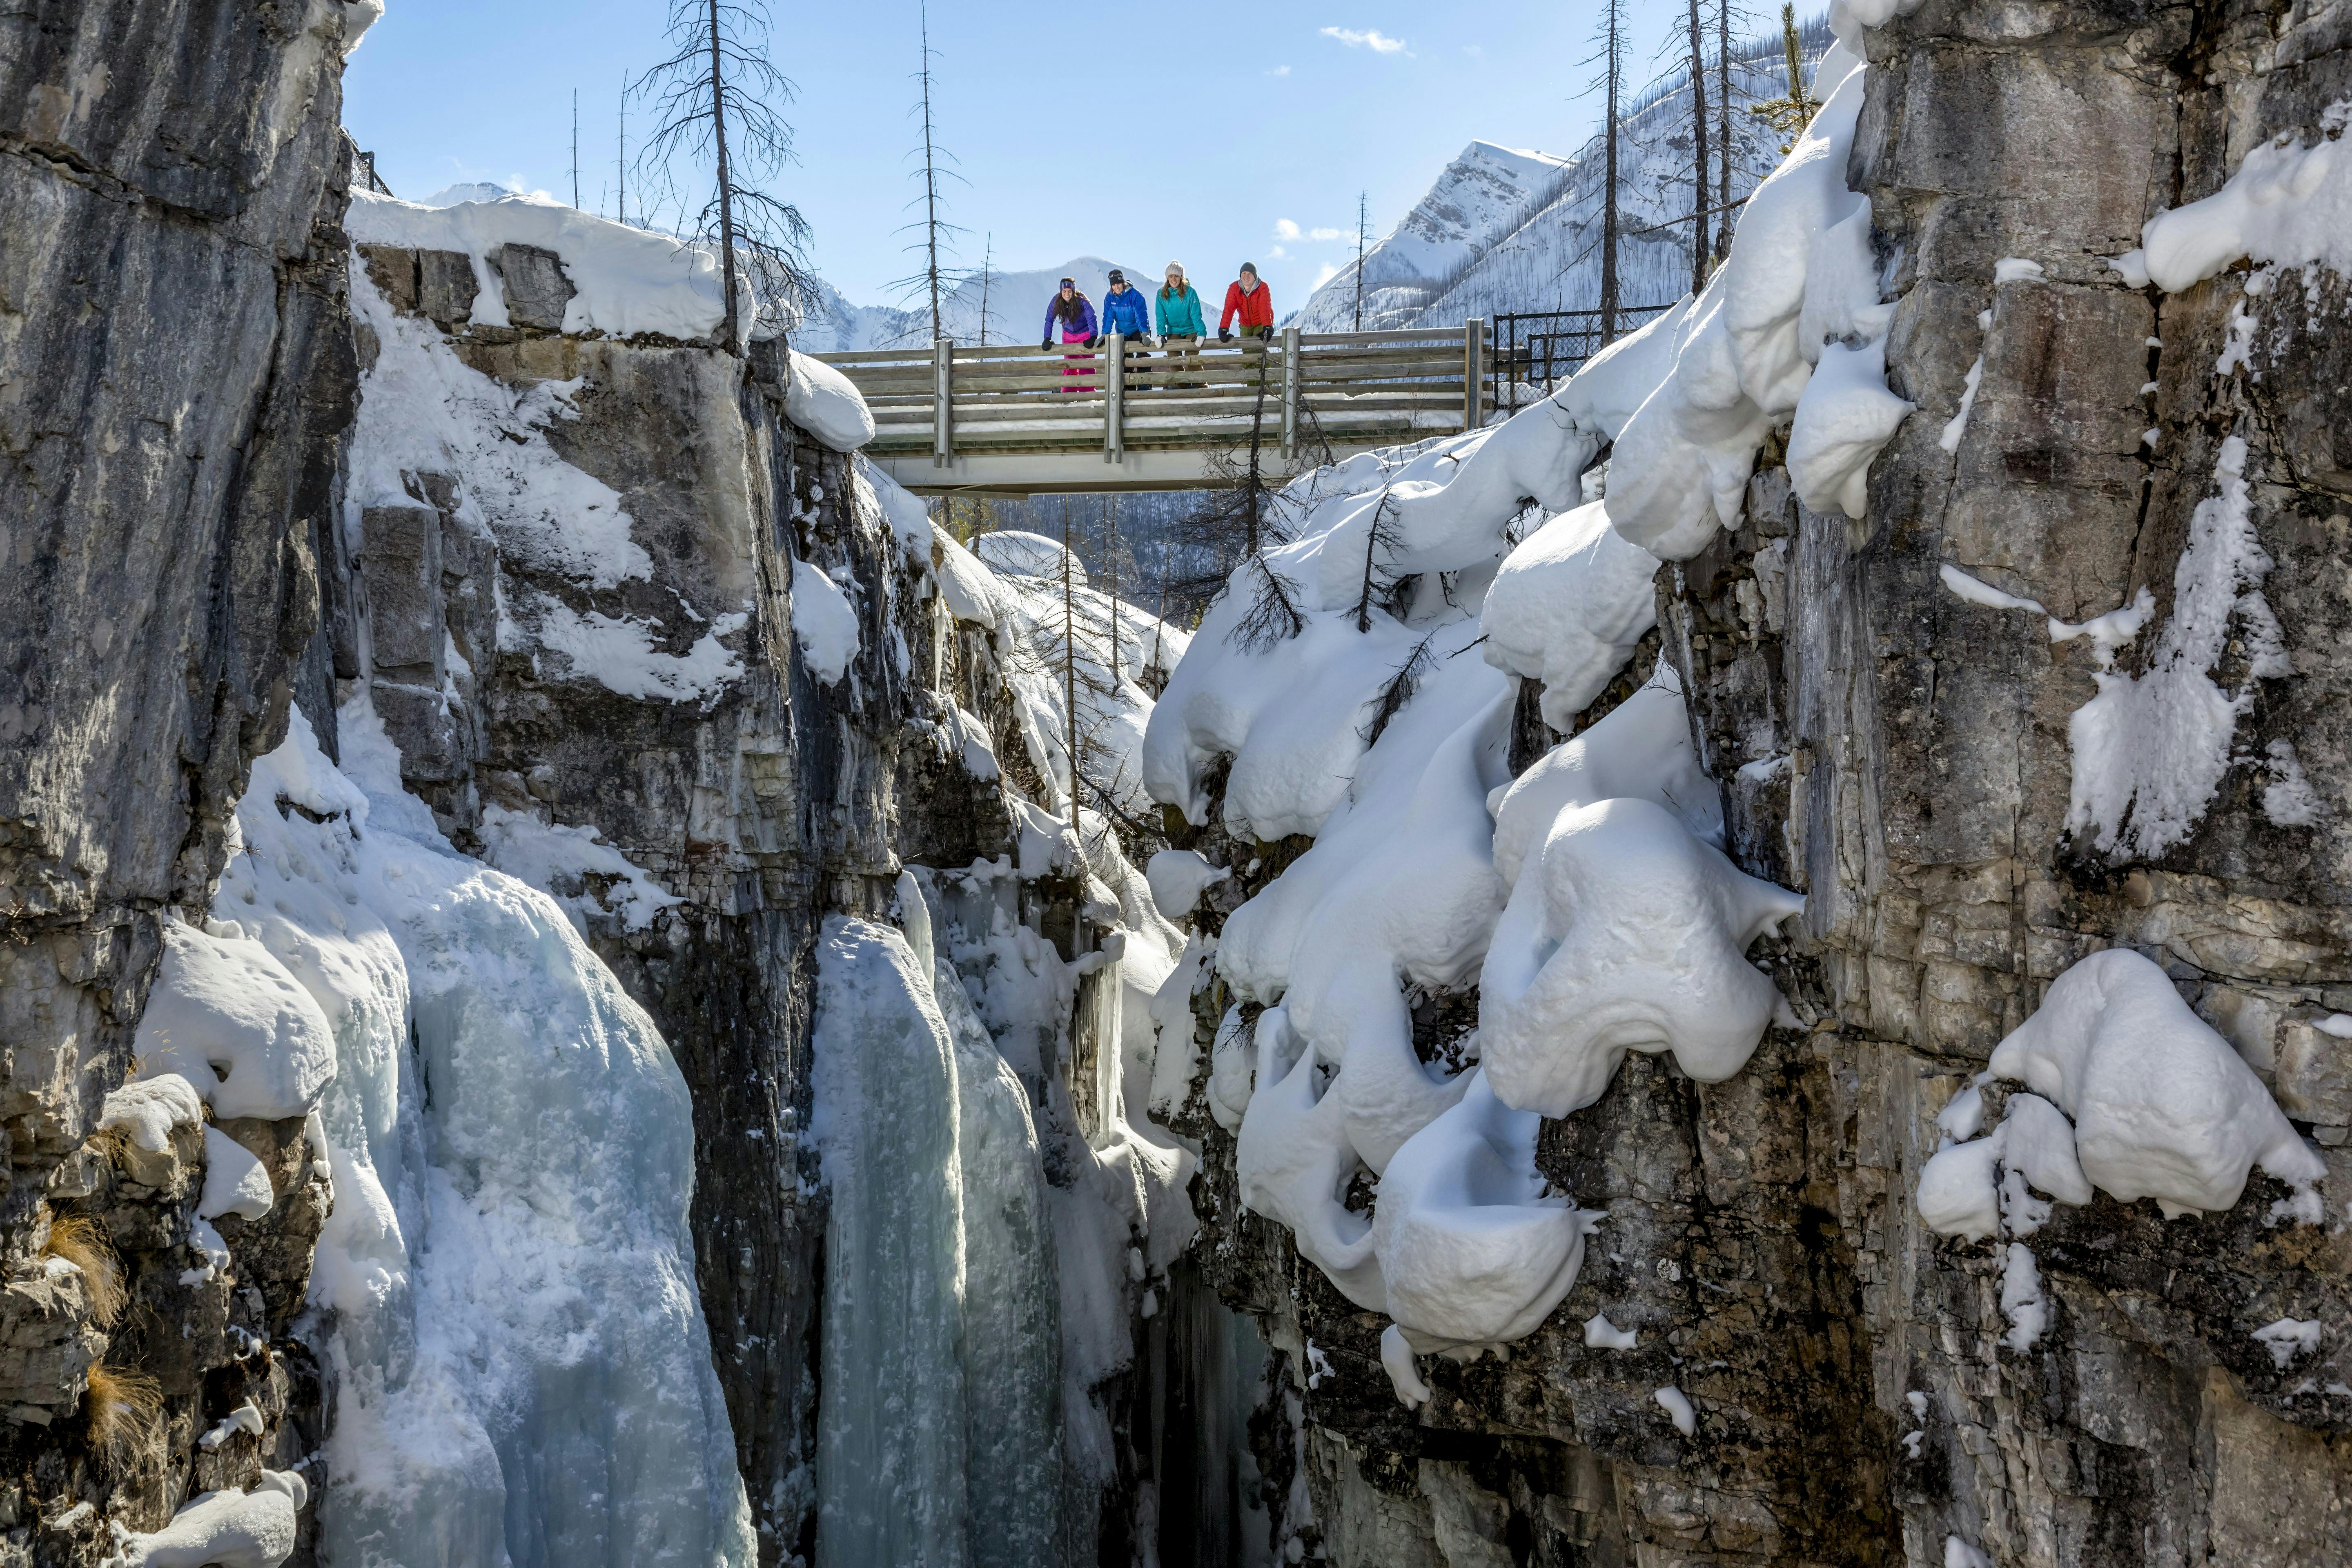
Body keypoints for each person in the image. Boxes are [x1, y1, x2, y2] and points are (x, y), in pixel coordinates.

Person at [1100, 268, 1154, 390]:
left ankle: (1144, 384)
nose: (1116, 287)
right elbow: (1108, 317)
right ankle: (1128, 387)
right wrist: (1105, 334)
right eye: (1113, 285)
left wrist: (1144, 333)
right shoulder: (1110, 298)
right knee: (1125, 358)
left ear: (1123, 282)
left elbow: (1141, 315)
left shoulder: (1135, 295)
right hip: (1123, 332)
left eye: (1118, 284)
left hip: (1138, 330)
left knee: (1142, 355)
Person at [1040, 277, 1098, 392]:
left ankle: (1087, 394)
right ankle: (1068, 393)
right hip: (1068, 335)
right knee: (1069, 364)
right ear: (1061, 292)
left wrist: (1093, 337)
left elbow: (1091, 317)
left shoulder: (1082, 300)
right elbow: (1049, 319)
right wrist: (1047, 338)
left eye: (1069, 291)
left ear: (1074, 291)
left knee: (1085, 364)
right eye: (1064, 292)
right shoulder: (1056, 301)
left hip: (1084, 334)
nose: (1067, 294)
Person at [1155, 262, 1207, 388]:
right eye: (1171, 276)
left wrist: (1201, 332)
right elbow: (1161, 316)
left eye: (1177, 276)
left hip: (1191, 329)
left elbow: (1196, 314)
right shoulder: (1162, 294)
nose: (1174, 279)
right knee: (1173, 358)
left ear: (1182, 277)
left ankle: (1200, 384)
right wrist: (1161, 334)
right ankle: (1181, 384)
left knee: (1191, 357)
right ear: (1167, 278)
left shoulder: (1190, 292)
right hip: (1173, 330)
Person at [1218, 262, 1274, 341]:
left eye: (1250, 274)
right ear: (1241, 276)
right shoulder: (1234, 288)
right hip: (1245, 323)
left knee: (1258, 346)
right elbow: (1229, 309)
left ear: (1255, 277)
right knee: (1246, 348)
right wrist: (1223, 329)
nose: (1247, 276)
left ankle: (1266, 354)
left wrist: (1268, 327)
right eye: (1244, 273)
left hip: (1261, 322)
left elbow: (1264, 308)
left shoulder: (1263, 287)